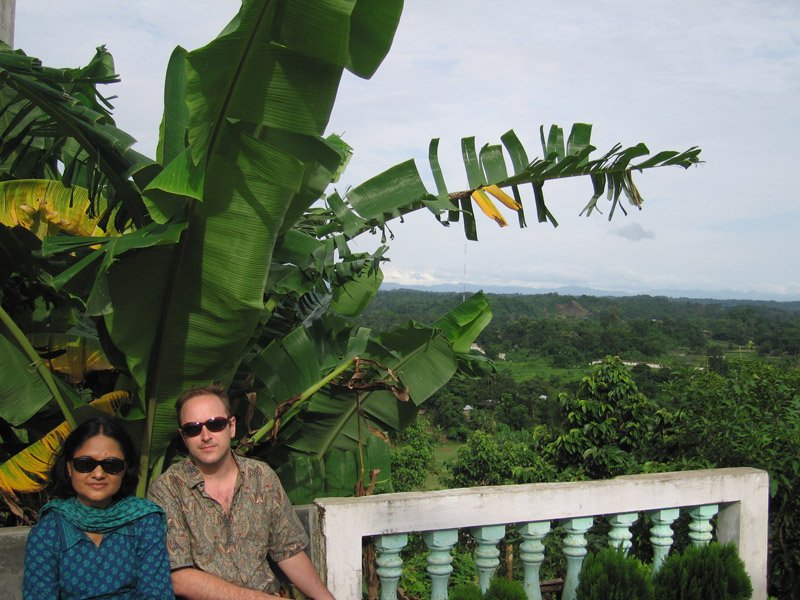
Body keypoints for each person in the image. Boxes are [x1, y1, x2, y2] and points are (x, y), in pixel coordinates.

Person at [147, 385, 335, 600]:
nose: (205, 436)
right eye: (193, 429)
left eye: (215, 424)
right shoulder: (168, 489)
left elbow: (288, 550)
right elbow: (178, 576)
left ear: (232, 426)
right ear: (183, 436)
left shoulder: (261, 476)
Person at [23, 414, 174, 599]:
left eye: (111, 465)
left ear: (124, 469)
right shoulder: (49, 529)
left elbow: (157, 594)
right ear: (69, 468)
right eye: (86, 464)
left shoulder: (144, 521)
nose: (99, 474)